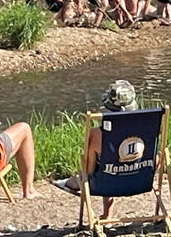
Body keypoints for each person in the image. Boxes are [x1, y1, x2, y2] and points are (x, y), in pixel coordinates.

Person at [52, 81, 140, 219]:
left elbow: (90, 170)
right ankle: (107, 213)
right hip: (139, 180)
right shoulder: (147, 130)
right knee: (112, 166)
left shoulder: (97, 135)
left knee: (104, 168)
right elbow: (156, 161)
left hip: (107, 182)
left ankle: (71, 183)